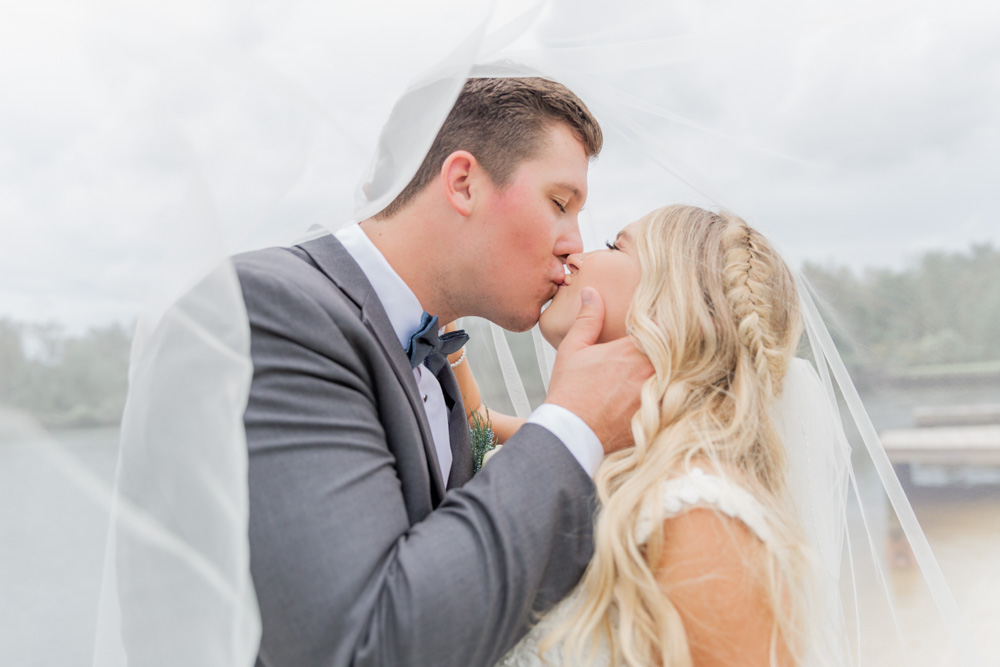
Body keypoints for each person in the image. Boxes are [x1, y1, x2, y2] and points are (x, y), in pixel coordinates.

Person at [234, 77, 652, 667]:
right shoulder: (277, 307)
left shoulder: (434, 359)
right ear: (463, 184)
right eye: (560, 204)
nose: (574, 245)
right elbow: (357, 646)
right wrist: (573, 424)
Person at [486, 204, 852, 666]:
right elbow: (490, 426)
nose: (575, 255)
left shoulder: (700, 515)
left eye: (614, 246)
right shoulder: (613, 462)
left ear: (675, 307)